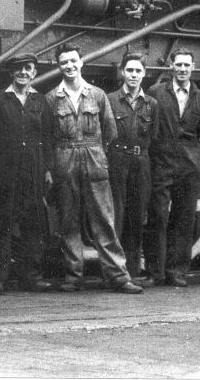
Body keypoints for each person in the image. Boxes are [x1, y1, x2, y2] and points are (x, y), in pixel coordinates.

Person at [44, 44, 143, 294]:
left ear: (81, 62)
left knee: (104, 220)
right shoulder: (51, 98)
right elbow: (48, 136)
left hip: (94, 159)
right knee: (68, 221)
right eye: (64, 62)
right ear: (59, 66)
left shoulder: (97, 95)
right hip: (65, 160)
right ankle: (73, 276)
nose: (69, 66)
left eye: (73, 61)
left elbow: (110, 132)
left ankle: (118, 276)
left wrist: (95, 154)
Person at [0, 54, 55, 293]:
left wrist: (48, 169)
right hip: (6, 169)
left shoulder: (41, 101)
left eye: (28, 68)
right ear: (11, 72)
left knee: (33, 223)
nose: (23, 72)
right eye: (19, 69)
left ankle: (32, 276)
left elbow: (47, 137)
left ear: (34, 73)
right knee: (2, 223)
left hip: (34, 169)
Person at [143, 49, 200, 288]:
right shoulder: (156, 92)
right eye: (178, 64)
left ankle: (177, 271)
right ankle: (155, 272)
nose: (182, 69)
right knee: (158, 216)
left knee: (184, 218)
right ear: (171, 66)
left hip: (189, 164)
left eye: (186, 65)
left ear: (193, 68)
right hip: (162, 161)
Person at [106, 53, 159, 282]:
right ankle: (113, 273)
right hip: (117, 161)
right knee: (116, 217)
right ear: (122, 72)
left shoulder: (151, 104)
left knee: (137, 217)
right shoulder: (110, 100)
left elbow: (154, 137)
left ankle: (133, 272)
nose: (134, 75)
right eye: (130, 70)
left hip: (141, 162)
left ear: (144, 73)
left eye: (138, 71)